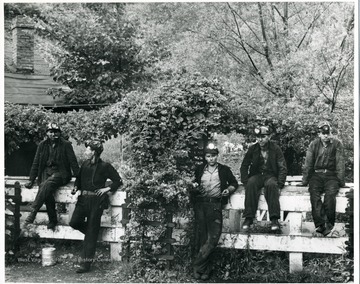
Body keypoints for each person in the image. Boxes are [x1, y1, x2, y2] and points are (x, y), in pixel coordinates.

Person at [69, 139, 123, 273]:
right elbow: (78, 180)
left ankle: (85, 265)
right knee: (74, 222)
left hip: (96, 201)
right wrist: (76, 187)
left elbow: (118, 180)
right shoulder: (85, 164)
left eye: (88, 149)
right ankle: (91, 233)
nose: (85, 151)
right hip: (83, 200)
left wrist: (106, 189)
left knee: (91, 233)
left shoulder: (105, 166)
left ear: (94, 152)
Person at [191, 142, 238, 280]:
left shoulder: (224, 170)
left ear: (217, 156)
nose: (211, 159)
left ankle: (196, 265)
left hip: (215, 205)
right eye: (208, 156)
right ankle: (205, 270)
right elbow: (192, 184)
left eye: (213, 156)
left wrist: (227, 190)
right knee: (203, 238)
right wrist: (194, 186)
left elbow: (234, 183)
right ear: (205, 157)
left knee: (213, 238)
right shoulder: (199, 170)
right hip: (200, 205)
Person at [24, 122, 79, 230]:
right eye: (51, 132)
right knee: (45, 189)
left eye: (56, 132)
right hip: (46, 172)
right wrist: (31, 179)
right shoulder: (42, 145)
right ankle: (53, 220)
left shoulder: (66, 144)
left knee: (46, 184)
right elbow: (36, 163)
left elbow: (73, 163)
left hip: (61, 173)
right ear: (47, 133)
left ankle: (33, 211)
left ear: (60, 133)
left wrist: (79, 180)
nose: (54, 135)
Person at [300, 121, 345, 236]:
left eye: (328, 133)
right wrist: (305, 180)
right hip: (317, 175)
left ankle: (329, 224)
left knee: (330, 194)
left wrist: (340, 180)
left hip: (331, 176)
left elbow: (340, 163)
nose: (326, 135)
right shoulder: (314, 144)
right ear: (319, 134)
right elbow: (308, 163)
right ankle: (320, 224)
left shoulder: (337, 144)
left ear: (330, 132)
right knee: (314, 194)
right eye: (323, 133)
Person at [240, 126, 287, 231]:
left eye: (263, 137)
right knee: (251, 183)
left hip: (271, 175)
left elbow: (282, 166)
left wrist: (280, 183)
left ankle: (274, 219)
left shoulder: (275, 149)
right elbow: (244, 165)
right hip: (258, 175)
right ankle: (249, 217)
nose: (260, 139)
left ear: (269, 137)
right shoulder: (253, 149)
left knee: (271, 185)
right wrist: (245, 181)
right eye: (258, 137)